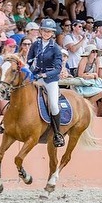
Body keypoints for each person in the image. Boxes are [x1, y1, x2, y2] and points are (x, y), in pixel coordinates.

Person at [26, 18, 64, 147]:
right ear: (40, 31)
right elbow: (29, 60)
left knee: (53, 104)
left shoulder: (56, 48)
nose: (47, 33)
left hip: (50, 80)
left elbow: (58, 69)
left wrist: (45, 74)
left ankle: (58, 133)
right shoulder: (35, 44)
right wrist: (28, 70)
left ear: (53, 33)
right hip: (36, 76)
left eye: (49, 31)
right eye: (45, 31)